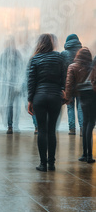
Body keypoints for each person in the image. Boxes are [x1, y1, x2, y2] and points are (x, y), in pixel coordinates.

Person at [28, 34, 65, 172]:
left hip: (39, 97)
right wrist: (63, 90)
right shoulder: (59, 57)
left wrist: (30, 100)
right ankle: (52, 163)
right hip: (55, 96)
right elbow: (64, 76)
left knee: (42, 130)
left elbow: (31, 82)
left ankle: (43, 164)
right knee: (51, 131)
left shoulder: (35, 59)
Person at [64, 48, 96, 163]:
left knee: (85, 123)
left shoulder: (72, 67)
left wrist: (67, 98)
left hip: (82, 95)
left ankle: (84, 154)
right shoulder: (92, 66)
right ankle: (89, 156)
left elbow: (69, 83)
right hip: (93, 96)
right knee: (90, 124)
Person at [0, 37, 23, 134]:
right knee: (16, 105)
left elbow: (1, 69)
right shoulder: (17, 54)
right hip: (15, 83)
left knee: (10, 105)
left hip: (8, 84)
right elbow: (21, 67)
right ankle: (14, 124)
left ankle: (10, 125)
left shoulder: (3, 55)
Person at [61, 34, 83, 135]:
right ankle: (82, 128)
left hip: (68, 85)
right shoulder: (82, 53)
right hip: (81, 86)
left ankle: (72, 129)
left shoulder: (63, 54)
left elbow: (61, 72)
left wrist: (62, 87)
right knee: (80, 107)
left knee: (70, 107)